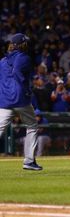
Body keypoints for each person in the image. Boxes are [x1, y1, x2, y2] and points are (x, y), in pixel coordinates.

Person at [0, 33, 42, 170]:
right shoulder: (24, 57)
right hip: (20, 99)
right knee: (32, 126)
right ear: (21, 44)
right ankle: (29, 161)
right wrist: (27, 90)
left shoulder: (2, 61)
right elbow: (18, 72)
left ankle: (29, 161)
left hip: (5, 101)